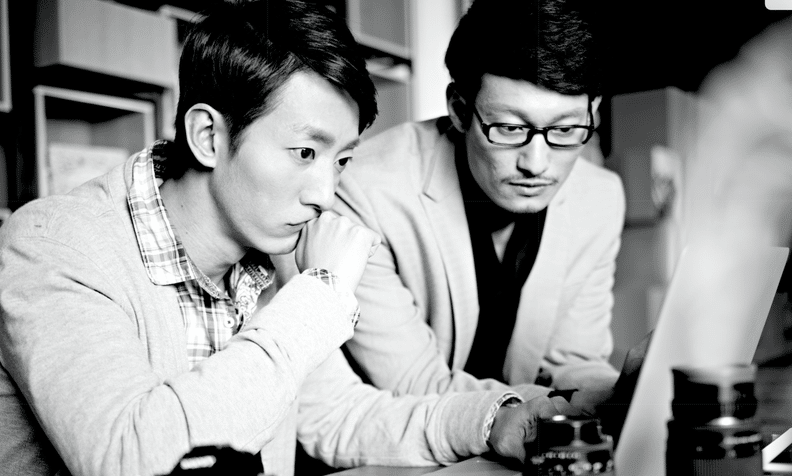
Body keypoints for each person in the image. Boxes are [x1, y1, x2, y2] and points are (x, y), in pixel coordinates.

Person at [0, 2, 579, 476]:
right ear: (208, 136)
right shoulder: (56, 246)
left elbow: (341, 418)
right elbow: (134, 459)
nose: (326, 195)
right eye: (304, 152)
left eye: (342, 160)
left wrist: (491, 420)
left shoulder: (270, 257)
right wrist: (320, 298)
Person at [332, 0, 623, 414]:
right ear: (459, 110)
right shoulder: (364, 192)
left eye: (565, 129)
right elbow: (415, 385)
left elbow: (573, 362)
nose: (536, 164)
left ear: (593, 114)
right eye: (510, 128)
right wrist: (565, 404)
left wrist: (625, 392)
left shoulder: (600, 198)